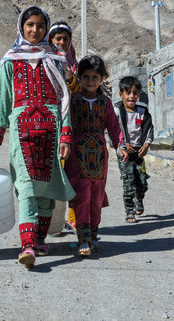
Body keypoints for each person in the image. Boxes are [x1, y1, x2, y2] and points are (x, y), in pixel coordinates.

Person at [0, 6, 75, 268]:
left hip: (51, 129)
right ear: (21, 27)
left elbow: (64, 101)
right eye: (30, 25)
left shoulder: (57, 58)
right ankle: (27, 245)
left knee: (48, 189)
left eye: (40, 25)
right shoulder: (10, 60)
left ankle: (39, 239)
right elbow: (3, 100)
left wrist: (66, 136)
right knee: (25, 187)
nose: (35, 30)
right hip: (21, 131)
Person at [65, 55, 127, 256]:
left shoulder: (105, 103)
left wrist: (120, 145)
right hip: (76, 156)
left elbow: (114, 127)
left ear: (101, 79)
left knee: (96, 197)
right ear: (79, 77)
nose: (90, 81)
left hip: (99, 157)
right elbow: (66, 126)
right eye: (86, 77)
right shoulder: (73, 101)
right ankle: (83, 239)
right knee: (81, 195)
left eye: (94, 77)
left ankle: (92, 236)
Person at [47, 21, 79, 233]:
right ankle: (53, 222)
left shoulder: (74, 66)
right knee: (53, 173)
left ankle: (72, 219)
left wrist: (70, 77)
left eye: (65, 39)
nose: (61, 42)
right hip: (50, 125)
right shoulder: (45, 62)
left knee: (73, 173)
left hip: (72, 125)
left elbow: (79, 91)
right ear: (50, 41)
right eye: (57, 39)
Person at [114, 76, 154, 223]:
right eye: (128, 92)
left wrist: (147, 145)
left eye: (135, 93)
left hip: (139, 151)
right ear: (121, 94)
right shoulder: (117, 111)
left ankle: (139, 198)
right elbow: (111, 129)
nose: (132, 96)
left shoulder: (143, 111)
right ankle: (129, 210)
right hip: (123, 151)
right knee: (128, 179)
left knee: (142, 181)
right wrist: (122, 144)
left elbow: (149, 129)